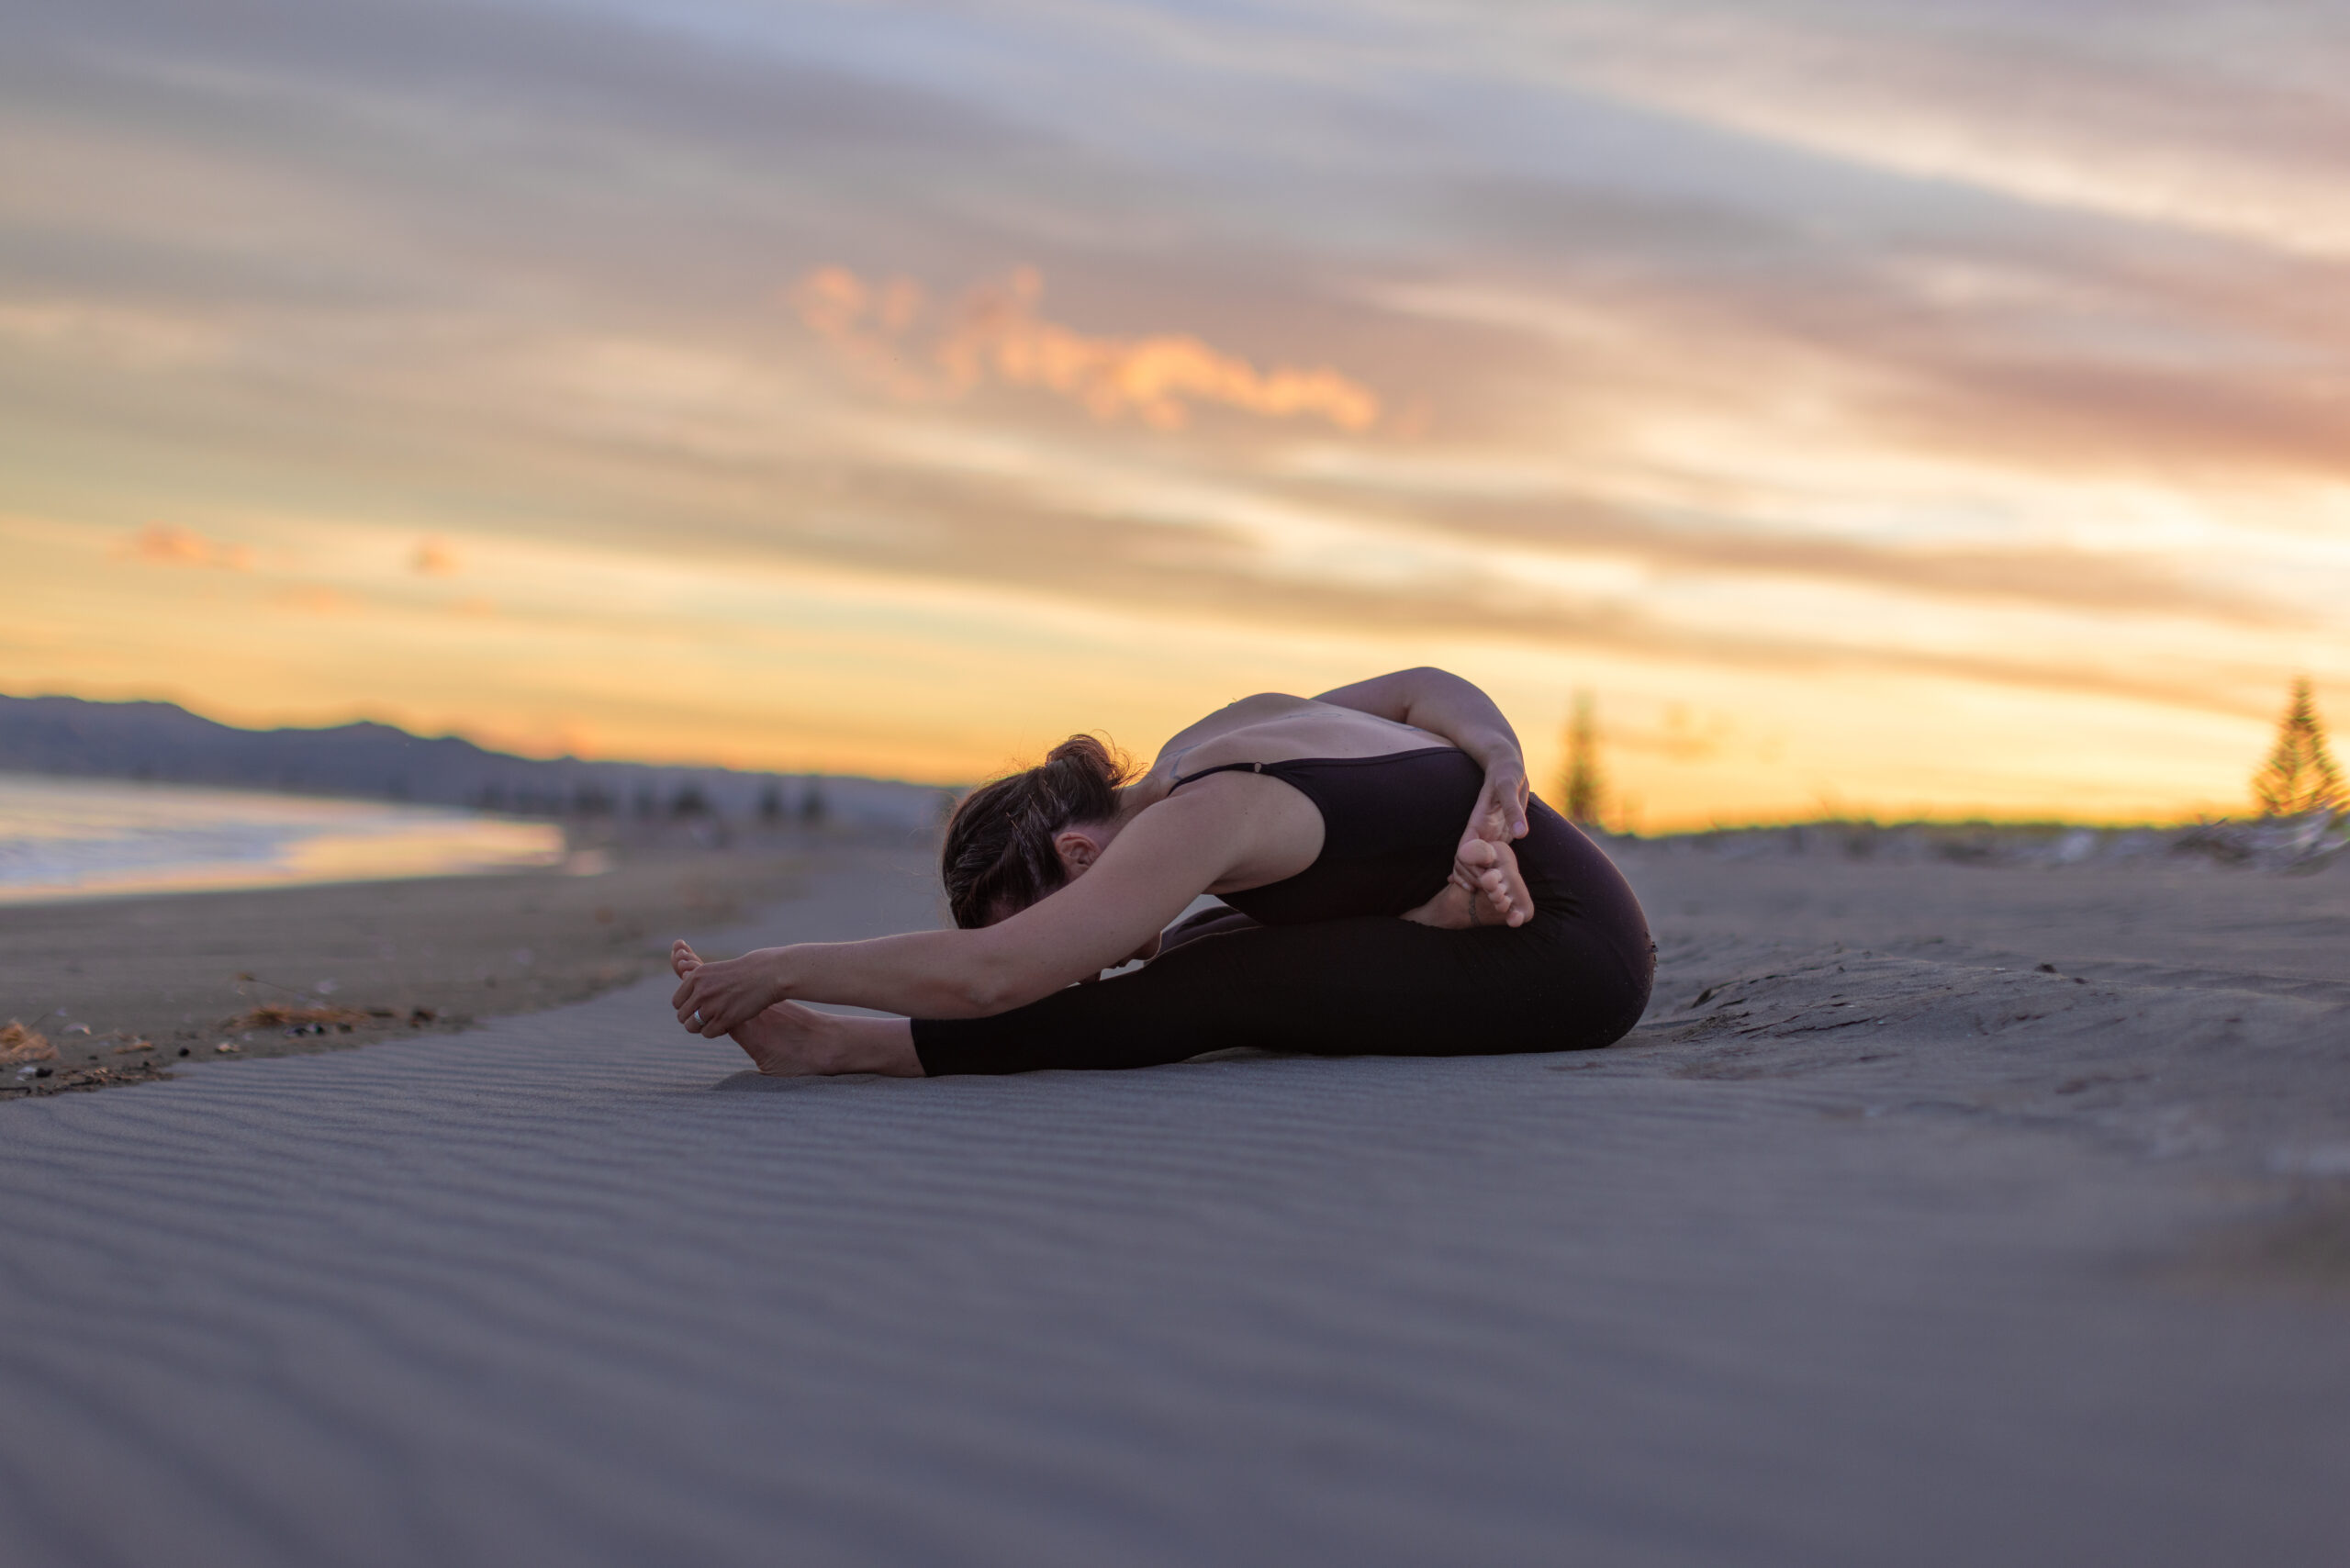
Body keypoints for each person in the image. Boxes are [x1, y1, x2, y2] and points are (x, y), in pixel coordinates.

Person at [668, 667, 1653, 1076]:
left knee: (1199, 983)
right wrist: (1498, 764)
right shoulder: (1199, 746)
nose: (1082, 961)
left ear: (1080, 853)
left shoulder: (1206, 813)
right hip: (1529, 918)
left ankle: (844, 1049)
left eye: (1073, 936)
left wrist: (786, 966)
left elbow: (995, 973)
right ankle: (1432, 923)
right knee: (1201, 944)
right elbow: (1417, 692)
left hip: (1574, 961)